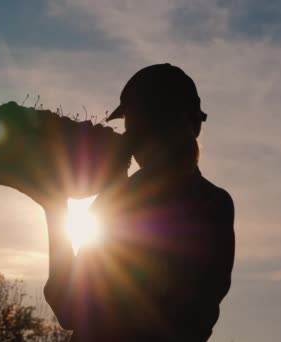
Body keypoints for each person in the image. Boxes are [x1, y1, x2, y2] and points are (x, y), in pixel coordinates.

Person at [27, 64, 235, 341]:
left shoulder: (132, 201)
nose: (126, 137)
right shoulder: (212, 202)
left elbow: (70, 306)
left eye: (131, 125)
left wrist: (53, 202)